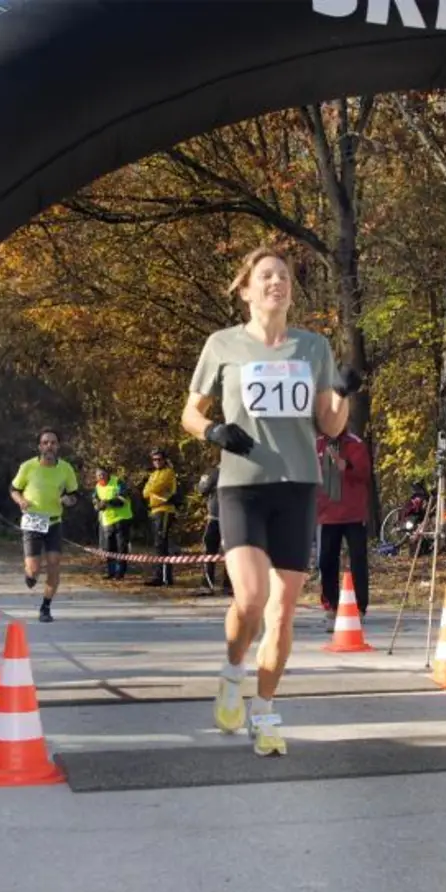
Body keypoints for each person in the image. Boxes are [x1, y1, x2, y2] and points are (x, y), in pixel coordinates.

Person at [182, 247, 363, 756]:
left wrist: (343, 392)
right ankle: (231, 671)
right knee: (251, 599)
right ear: (246, 289)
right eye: (265, 276)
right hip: (242, 485)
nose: (276, 282)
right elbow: (189, 414)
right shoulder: (222, 345)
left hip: (298, 484)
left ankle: (263, 712)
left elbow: (330, 425)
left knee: (282, 614)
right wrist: (213, 430)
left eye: (283, 276)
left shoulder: (313, 347)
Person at [10, 428, 79, 622]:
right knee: (34, 569)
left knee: (54, 564)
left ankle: (46, 607)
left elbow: (74, 494)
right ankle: (30, 574)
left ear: (58, 446)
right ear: (40, 447)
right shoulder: (28, 467)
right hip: (33, 522)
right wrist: (20, 500)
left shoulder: (66, 469)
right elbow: (14, 489)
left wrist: (68, 500)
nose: (49, 446)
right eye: (45, 442)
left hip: (54, 522)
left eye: (53, 443)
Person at [316, 427, 373, 630]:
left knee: (358, 560)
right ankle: (331, 605)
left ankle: (359, 607)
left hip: (353, 514)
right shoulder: (318, 444)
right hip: (327, 514)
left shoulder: (354, 443)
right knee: (326, 561)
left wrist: (345, 466)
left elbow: (364, 474)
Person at [142, 449, 178, 587]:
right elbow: (145, 492)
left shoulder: (168, 472)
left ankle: (164, 577)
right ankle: (160, 575)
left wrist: (151, 488)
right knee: (158, 543)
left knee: (162, 543)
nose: (156, 462)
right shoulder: (153, 474)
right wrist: (150, 488)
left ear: (164, 460)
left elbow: (155, 488)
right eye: (154, 459)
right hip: (155, 509)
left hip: (165, 509)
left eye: (159, 459)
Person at [92, 466, 134, 580]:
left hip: (122, 518)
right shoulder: (97, 486)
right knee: (109, 547)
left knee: (121, 547)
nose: (101, 477)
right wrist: (97, 505)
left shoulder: (118, 482)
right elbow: (94, 499)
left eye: (103, 474)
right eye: (98, 475)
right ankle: (111, 572)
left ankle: (120, 572)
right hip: (107, 521)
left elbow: (123, 499)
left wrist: (108, 502)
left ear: (108, 474)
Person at [197, 464, 229, 595]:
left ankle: (210, 585)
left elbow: (202, 489)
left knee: (212, 552)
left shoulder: (213, 472)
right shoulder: (215, 472)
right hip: (227, 518)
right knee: (229, 552)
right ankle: (225, 585)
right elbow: (201, 489)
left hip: (220, 517)